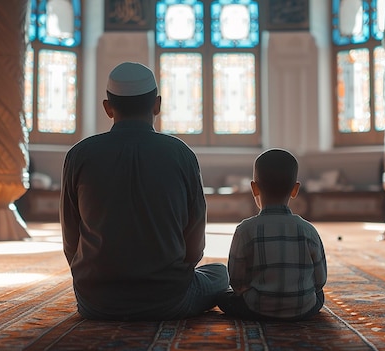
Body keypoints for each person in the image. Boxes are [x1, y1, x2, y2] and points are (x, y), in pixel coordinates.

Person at [60, 62, 228, 321]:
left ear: (108, 108)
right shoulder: (181, 154)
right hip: (169, 299)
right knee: (220, 273)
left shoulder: (79, 155)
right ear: (157, 105)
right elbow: (195, 243)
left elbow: (71, 238)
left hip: (96, 301)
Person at [218, 148, 327, 321]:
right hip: (302, 308)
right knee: (320, 297)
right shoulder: (308, 230)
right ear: (295, 190)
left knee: (222, 297)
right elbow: (320, 281)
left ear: (254, 188)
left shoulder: (245, 229)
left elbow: (237, 281)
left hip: (257, 308)